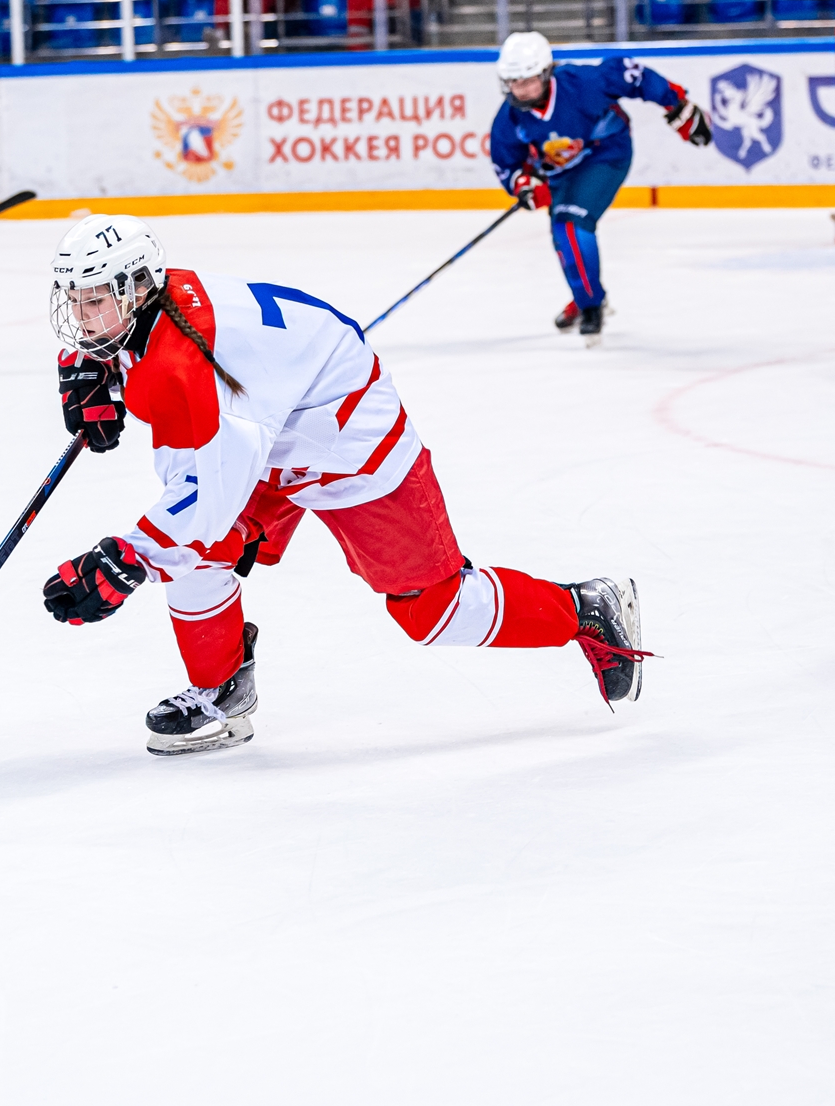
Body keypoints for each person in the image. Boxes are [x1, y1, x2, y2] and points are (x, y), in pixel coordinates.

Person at [40, 214, 650, 755]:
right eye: (78, 299)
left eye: (98, 299)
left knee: (430, 610)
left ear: (139, 288)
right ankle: (220, 692)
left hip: (345, 438)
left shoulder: (190, 364)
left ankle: (584, 609)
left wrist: (124, 561)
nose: (84, 314)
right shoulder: (156, 306)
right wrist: (91, 363)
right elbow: (202, 480)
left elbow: (203, 499)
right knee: (190, 551)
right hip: (273, 421)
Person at [486, 31, 712, 346]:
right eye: (512, 83)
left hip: (606, 154)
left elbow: (632, 74)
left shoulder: (581, 83)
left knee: (571, 223)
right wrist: (524, 185)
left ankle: (592, 305)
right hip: (562, 174)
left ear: (546, 73)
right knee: (562, 236)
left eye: (526, 82)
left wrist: (679, 107)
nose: (518, 90)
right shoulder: (510, 118)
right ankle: (585, 294)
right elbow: (506, 163)